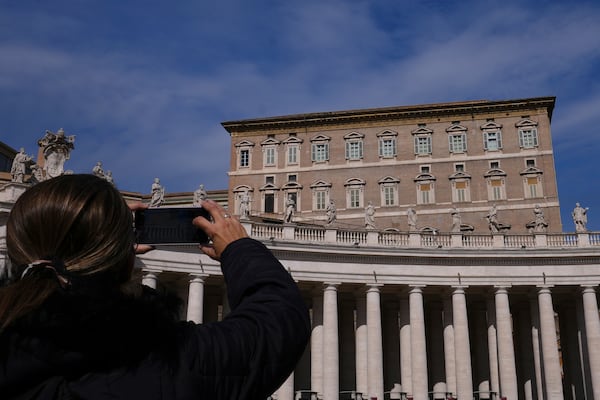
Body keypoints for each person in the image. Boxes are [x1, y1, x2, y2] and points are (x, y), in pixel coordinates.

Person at [0, 174, 310, 399]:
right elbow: (276, 322)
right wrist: (239, 249)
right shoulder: (170, 364)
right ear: (124, 259)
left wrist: (109, 247)